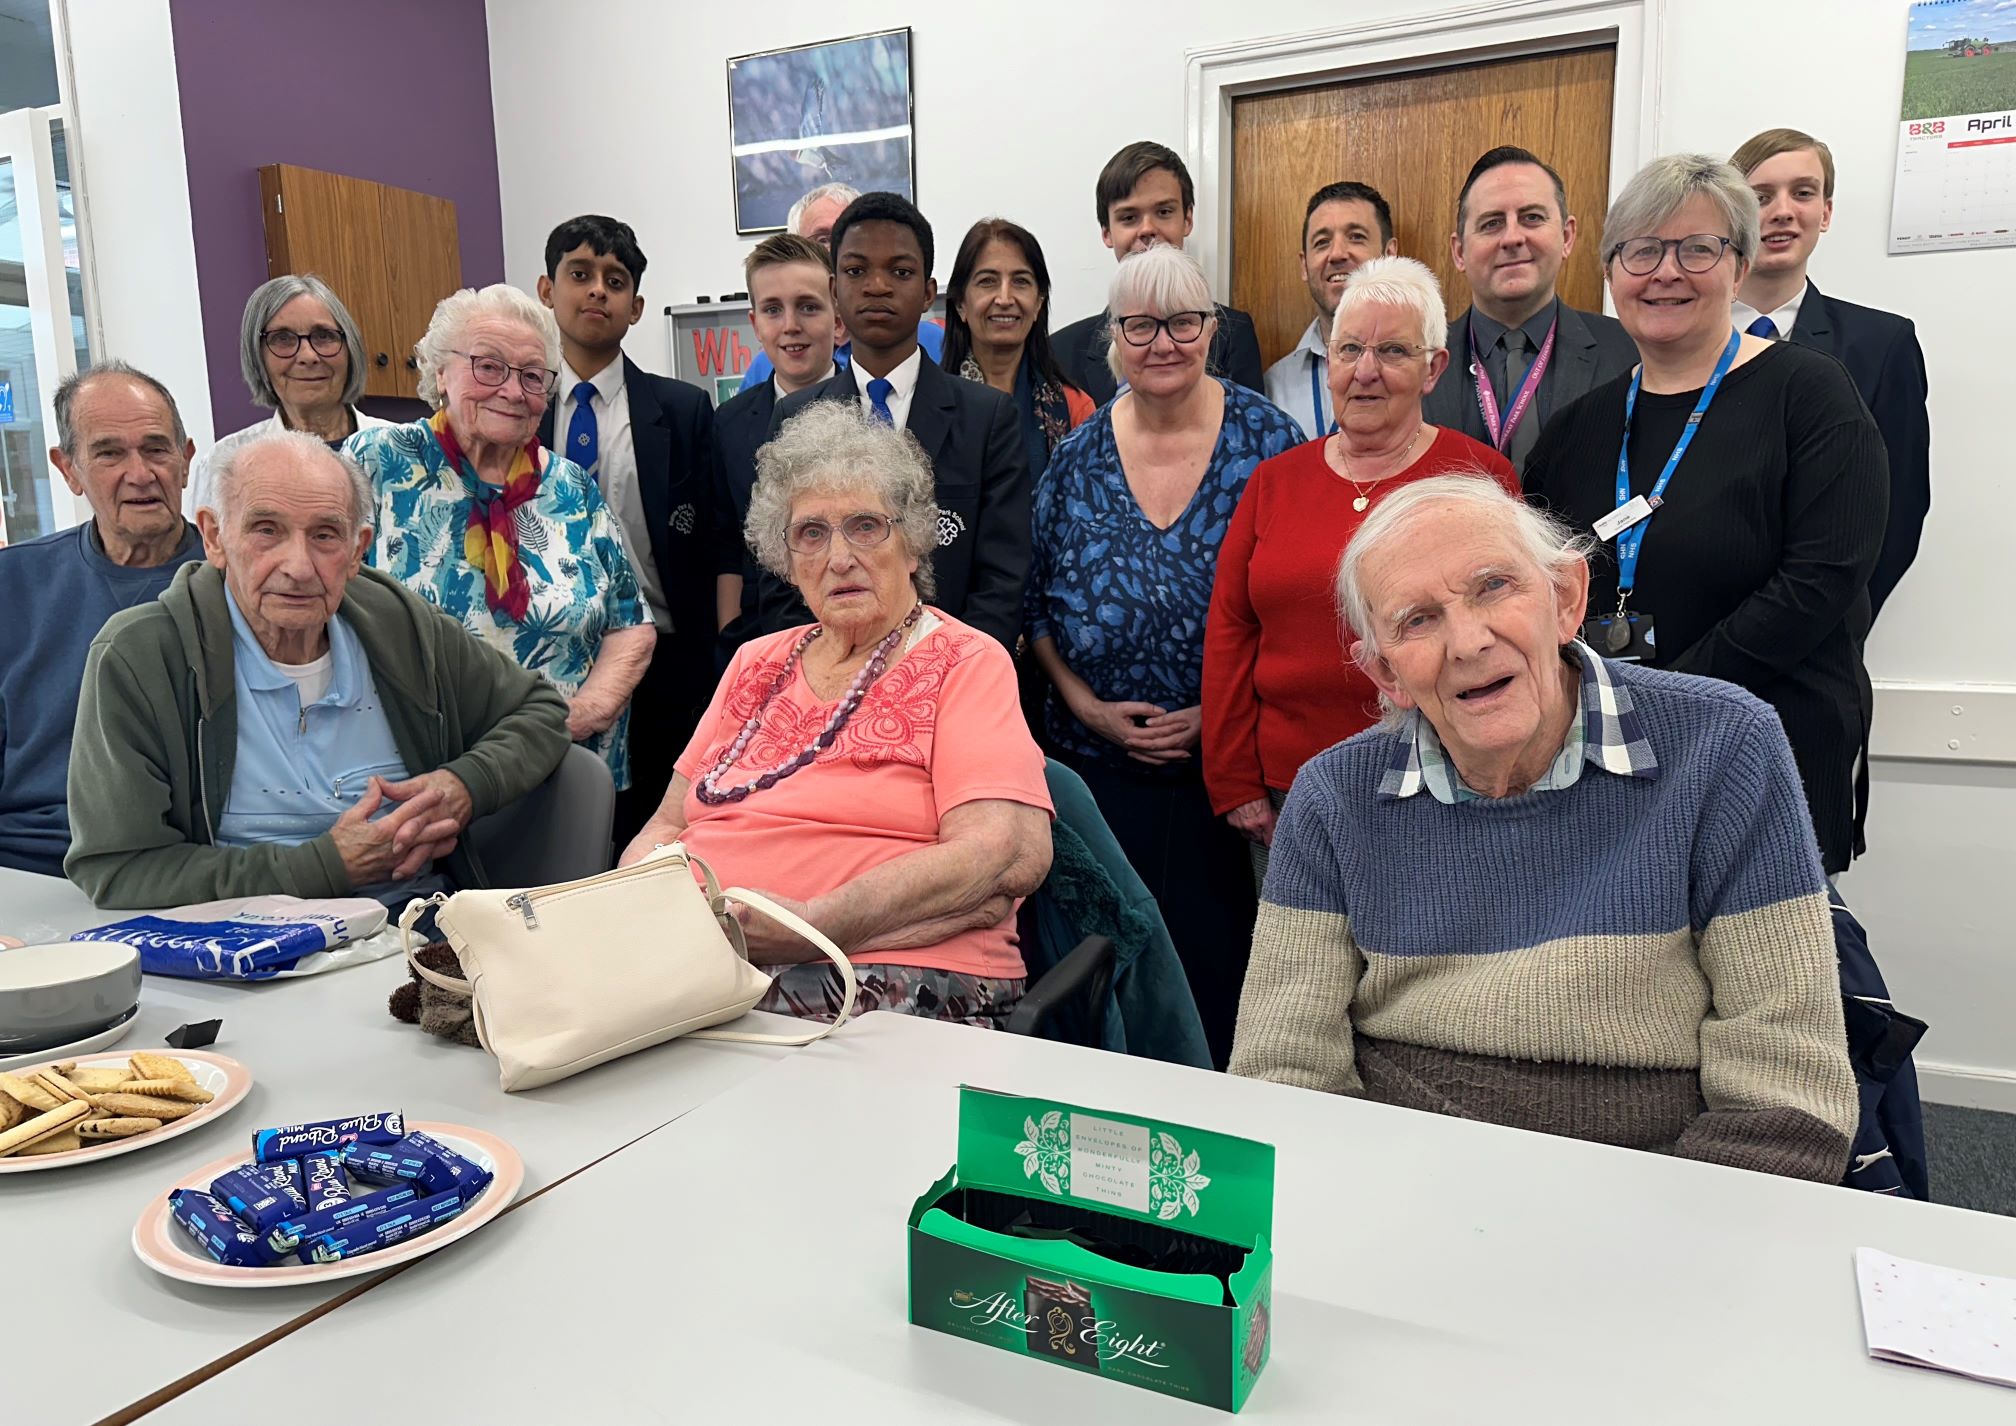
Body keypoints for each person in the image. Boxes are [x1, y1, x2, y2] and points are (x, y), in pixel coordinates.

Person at [1228, 475, 1859, 1185]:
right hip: (1406, 1190)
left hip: (1660, 1198)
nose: (1468, 641)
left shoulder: (1725, 745)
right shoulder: (1333, 797)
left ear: (1566, 600)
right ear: (1386, 673)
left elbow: (1786, 1097)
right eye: (1418, 620)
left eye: (1494, 586)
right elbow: (1283, 1074)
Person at [621, 402, 1053, 1028]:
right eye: (812, 533)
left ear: (912, 543)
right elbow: (664, 826)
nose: (839, 557)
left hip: (886, 976)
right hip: (702, 959)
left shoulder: (966, 660)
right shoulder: (754, 662)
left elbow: (992, 851)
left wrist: (812, 922)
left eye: (865, 526)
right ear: (787, 559)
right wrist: (634, 912)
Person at [1523, 153, 1886, 876]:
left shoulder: (1810, 396)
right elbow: (1541, 587)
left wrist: (1670, 698)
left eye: (1697, 249)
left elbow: (1821, 580)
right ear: (1610, 269)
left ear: (1739, 265)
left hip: (1768, 745)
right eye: (1642, 250)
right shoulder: (1573, 429)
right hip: (1609, 755)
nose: (1665, 271)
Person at [65, 431, 570, 908]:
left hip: (413, 933)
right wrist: (322, 867)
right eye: (267, 530)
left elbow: (539, 712)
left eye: (325, 535)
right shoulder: (141, 656)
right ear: (215, 537)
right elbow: (119, 870)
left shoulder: (400, 626)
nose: (299, 567)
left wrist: (464, 786)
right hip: (240, 954)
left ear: (357, 550)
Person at [1025, 245, 1302, 1068]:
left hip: (1228, 776)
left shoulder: (1270, 440)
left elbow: (1290, 604)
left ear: (1211, 329)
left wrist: (1223, 709)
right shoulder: (1074, 458)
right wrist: (1084, 705)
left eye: (1183, 322)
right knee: (1108, 972)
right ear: (1112, 337)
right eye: (1140, 325)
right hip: (1099, 768)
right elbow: (1035, 604)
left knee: (1219, 978)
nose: (1163, 342)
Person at [1203, 257, 1517, 883]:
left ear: (1433, 369)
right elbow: (1231, 631)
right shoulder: (1274, 482)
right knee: (1303, 970)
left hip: (1447, 785)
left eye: (1393, 351)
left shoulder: (1479, 478)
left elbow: (1511, 635)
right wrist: (1234, 777)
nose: (1365, 372)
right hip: (1292, 793)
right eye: (1349, 349)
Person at [346, 284, 656, 791]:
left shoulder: (571, 486)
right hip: (415, 773)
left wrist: (586, 712)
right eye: (488, 367)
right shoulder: (377, 461)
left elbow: (631, 624)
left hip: (561, 771)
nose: (513, 391)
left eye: (533, 376)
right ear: (440, 372)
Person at [758, 193, 1030, 649]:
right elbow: (778, 573)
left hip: (953, 679)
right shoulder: (794, 415)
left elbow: (1003, 581)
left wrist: (931, 675)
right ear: (833, 290)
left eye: (900, 272)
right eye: (856, 271)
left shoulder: (988, 419)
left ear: (928, 292)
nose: (877, 286)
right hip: (830, 678)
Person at [535, 215, 717, 838]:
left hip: (662, 656)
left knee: (651, 824)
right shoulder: (516, 407)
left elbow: (715, 538)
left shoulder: (683, 410)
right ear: (545, 289)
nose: (596, 292)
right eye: (579, 275)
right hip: (548, 653)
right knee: (556, 824)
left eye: (614, 282)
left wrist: (709, 656)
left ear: (636, 307)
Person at [0, 364, 206, 875]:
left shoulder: (244, 584)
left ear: (186, 459)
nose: (140, 473)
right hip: (26, 864)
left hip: (178, 868)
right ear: (68, 469)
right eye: (109, 452)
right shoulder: (13, 585)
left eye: (157, 448)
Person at [1730, 127, 1930, 620]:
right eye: (1759, 196)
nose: (1782, 211)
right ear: (1730, 216)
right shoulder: (1670, 342)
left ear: (1826, 212)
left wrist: (1834, 624)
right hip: (1684, 648)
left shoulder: (1881, 346)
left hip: (1818, 651)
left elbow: (1899, 513)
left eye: (1803, 193)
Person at [1423, 147, 1639, 473]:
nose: (1512, 237)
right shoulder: (1417, 365)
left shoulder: (1629, 351)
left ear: (1567, 237)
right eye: (1492, 223)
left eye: (1532, 218)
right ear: (1459, 252)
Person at [1052, 142, 1266, 403]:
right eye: (1129, 218)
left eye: (1164, 212)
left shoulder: (1234, 334)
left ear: (1187, 220)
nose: (1147, 229)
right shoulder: (1061, 352)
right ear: (1107, 232)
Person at [713, 233, 841, 653]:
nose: (790, 325)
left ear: (837, 316)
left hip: (850, 632)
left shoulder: (869, 410)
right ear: (754, 323)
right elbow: (728, 546)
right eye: (773, 310)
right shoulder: (728, 423)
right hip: (757, 637)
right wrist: (731, 637)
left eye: (808, 306)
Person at [188, 275, 394, 510]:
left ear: (350, 347)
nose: (308, 356)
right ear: (257, 356)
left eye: (323, 336)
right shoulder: (224, 463)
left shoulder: (406, 449)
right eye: (282, 339)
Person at [740, 181, 945, 388]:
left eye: (852, 238)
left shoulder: (934, 342)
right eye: (822, 239)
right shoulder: (767, 365)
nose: (836, 250)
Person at [941, 217, 1095, 480]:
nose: (1004, 299)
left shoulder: (1075, 408)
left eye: (1020, 281)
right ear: (960, 305)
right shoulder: (929, 405)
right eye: (988, 281)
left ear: (1038, 304)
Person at [1262, 182, 1397, 440]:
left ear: (1390, 254)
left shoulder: (1425, 368)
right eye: (1322, 242)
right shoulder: (1275, 386)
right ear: (1304, 265)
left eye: (1356, 237)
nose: (1336, 254)